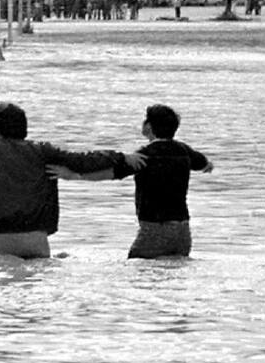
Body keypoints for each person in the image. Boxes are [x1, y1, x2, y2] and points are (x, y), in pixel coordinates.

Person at [0, 102, 144, 259]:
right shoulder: (43, 152)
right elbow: (82, 161)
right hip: (37, 241)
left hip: (1, 239)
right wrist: (120, 157)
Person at [48, 103, 213, 259]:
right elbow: (202, 162)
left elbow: (110, 173)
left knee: (139, 277)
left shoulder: (144, 155)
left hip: (154, 230)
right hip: (183, 233)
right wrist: (208, 164)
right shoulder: (184, 150)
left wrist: (73, 176)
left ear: (148, 127)